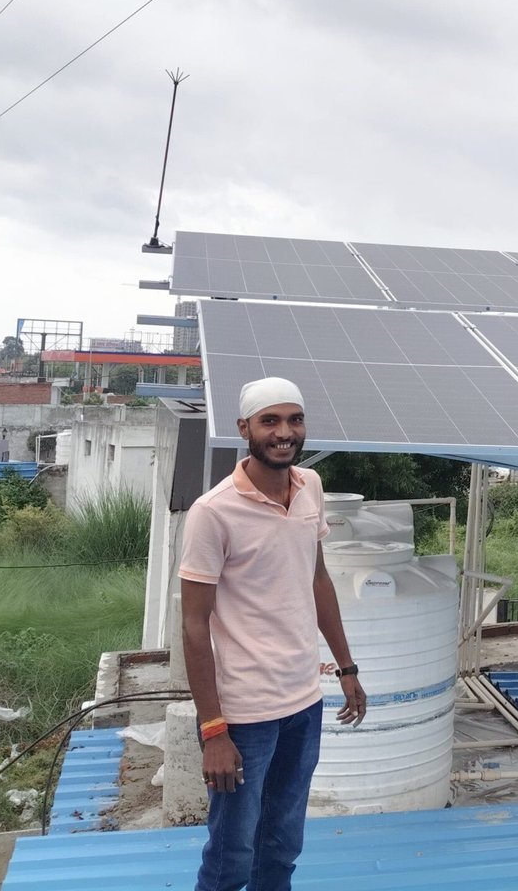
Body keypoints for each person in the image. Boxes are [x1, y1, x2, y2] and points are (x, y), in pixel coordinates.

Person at [180, 377, 368, 891]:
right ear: (244, 428)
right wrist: (213, 730)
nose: (285, 432)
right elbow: (194, 626)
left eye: (294, 419)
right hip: (245, 716)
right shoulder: (212, 513)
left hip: (304, 704)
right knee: (231, 857)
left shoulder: (310, 487)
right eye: (270, 421)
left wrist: (346, 668)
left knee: (282, 847)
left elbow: (317, 578)